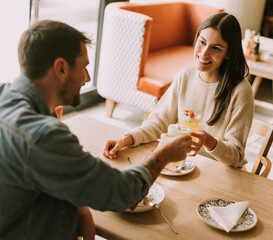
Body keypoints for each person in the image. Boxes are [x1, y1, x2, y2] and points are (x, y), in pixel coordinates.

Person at [0, 20, 197, 240]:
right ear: (61, 68)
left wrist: (78, 205)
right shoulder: (45, 136)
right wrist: (163, 155)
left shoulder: (5, 96)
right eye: (84, 67)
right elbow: (121, 192)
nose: (88, 78)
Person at [103, 12, 254, 168]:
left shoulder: (241, 91)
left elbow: (236, 155)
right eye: (202, 42)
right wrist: (125, 139)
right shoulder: (186, 75)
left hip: (218, 172)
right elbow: (158, 123)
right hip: (181, 165)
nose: (204, 53)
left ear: (228, 54)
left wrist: (207, 140)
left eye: (215, 48)